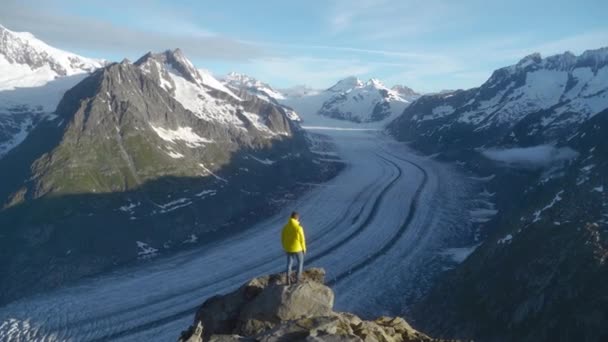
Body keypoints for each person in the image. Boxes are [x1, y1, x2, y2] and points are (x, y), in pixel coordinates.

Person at [281, 211, 306, 284]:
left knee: (289, 263)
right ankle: (297, 280)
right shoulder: (299, 228)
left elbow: (282, 238)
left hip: (288, 248)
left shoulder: (285, 227)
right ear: (297, 218)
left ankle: (288, 279)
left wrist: (285, 247)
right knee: (300, 262)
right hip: (298, 248)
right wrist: (304, 249)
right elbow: (302, 239)